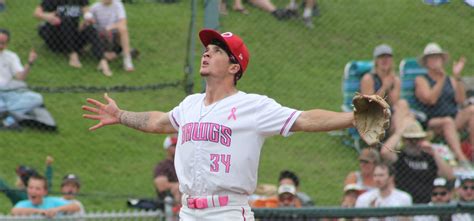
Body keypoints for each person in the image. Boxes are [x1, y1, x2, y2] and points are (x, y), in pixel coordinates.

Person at [82, 28, 356, 220]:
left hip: (227, 212)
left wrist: (354, 117)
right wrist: (120, 115)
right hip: (188, 212)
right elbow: (158, 122)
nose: (206, 54)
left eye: (216, 51)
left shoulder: (253, 106)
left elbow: (305, 118)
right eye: (206, 50)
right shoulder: (190, 105)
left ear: (234, 67)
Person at [414, 42, 473, 162]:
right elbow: (431, 100)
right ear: (426, 62)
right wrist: (441, 79)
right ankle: (462, 159)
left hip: (453, 117)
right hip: (433, 121)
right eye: (432, 57)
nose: (436, 60)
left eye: (438, 57)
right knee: (447, 122)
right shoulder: (421, 79)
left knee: (472, 110)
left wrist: (457, 77)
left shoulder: (449, 79)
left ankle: (472, 150)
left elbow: (461, 100)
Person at [381, 120, 455, 204]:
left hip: (427, 203)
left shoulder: (428, 157)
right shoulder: (400, 156)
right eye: (410, 139)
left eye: (417, 139)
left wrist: (434, 153)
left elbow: (449, 175)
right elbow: (385, 152)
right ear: (404, 140)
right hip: (404, 203)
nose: (414, 143)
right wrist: (399, 132)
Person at [360, 44, 413, 134]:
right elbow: (370, 105)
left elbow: (394, 103)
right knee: (407, 116)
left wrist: (390, 86)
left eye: (388, 57)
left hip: (392, 115)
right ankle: (401, 138)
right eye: (381, 57)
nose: (385, 60)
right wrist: (384, 87)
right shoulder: (368, 78)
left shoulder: (395, 80)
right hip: (374, 116)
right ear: (376, 60)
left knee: (403, 105)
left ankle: (399, 136)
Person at [34, 0, 98, 69]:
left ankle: (101, 55)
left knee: (89, 26)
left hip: (73, 34)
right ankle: (72, 55)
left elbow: (86, 12)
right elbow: (36, 13)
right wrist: (47, 16)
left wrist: (87, 19)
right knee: (65, 20)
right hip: (56, 38)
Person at [0, 28, 43, 129]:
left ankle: (8, 118)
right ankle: (9, 115)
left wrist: (30, 62)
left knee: (36, 98)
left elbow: (20, 77)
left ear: (7, 44)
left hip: (8, 92)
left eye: (2, 43)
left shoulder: (11, 56)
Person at [88, 0, 135, 74]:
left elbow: (123, 22)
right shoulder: (95, 7)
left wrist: (110, 27)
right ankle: (115, 53)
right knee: (109, 56)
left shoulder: (118, 4)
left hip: (115, 34)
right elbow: (87, 26)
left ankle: (127, 60)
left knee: (123, 29)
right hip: (102, 37)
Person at [11, 174, 81, 218]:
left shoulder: (51, 201)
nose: (33, 191)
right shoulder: (23, 204)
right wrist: (40, 212)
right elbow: (14, 211)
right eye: (30, 187)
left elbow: (76, 207)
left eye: (37, 189)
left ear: (45, 192)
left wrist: (56, 209)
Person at [154, 134, 180, 206]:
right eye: (174, 145)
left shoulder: (184, 164)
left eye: (179, 145)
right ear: (167, 148)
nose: (177, 148)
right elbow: (161, 186)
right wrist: (179, 186)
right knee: (177, 188)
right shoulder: (162, 166)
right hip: (168, 201)